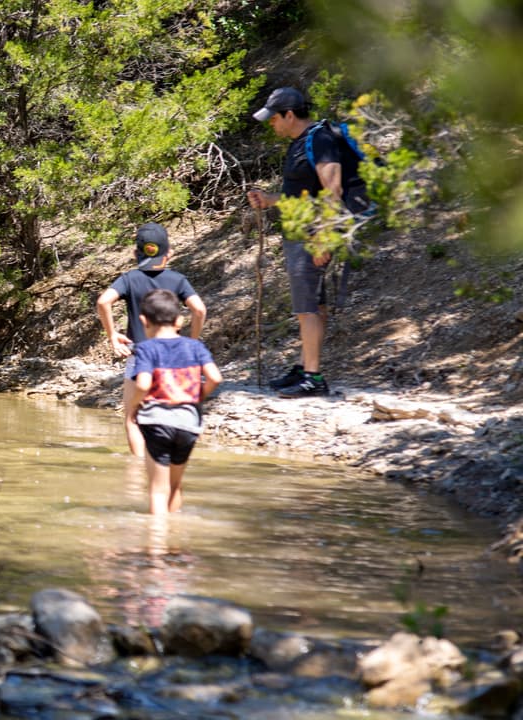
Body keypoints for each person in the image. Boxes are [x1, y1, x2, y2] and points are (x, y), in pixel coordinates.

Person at [246, 86, 369, 398]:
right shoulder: (302, 143)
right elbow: (303, 193)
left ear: (289, 115)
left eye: (274, 119)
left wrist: (325, 238)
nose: (271, 124)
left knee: (306, 308)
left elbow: (333, 189)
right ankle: (305, 367)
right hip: (304, 231)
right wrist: (270, 199)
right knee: (316, 305)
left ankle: (313, 377)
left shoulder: (320, 139)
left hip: (312, 234)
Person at [97, 223, 207, 457]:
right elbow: (199, 310)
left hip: (140, 356)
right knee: (169, 412)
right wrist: (192, 341)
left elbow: (103, 301)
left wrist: (113, 336)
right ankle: (163, 459)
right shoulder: (178, 280)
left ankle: (139, 466)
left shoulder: (129, 278)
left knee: (133, 417)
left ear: (135, 253)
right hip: (173, 358)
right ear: (169, 253)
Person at [125, 289, 222, 515]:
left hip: (157, 421)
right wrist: (196, 398)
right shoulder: (195, 346)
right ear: (179, 321)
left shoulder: (146, 348)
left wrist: (134, 407)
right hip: (188, 422)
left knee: (158, 489)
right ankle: (174, 542)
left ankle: (157, 544)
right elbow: (215, 378)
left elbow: (143, 384)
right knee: (175, 485)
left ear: (143, 321)